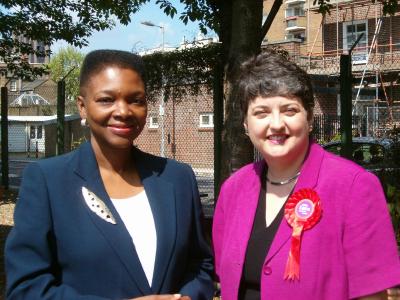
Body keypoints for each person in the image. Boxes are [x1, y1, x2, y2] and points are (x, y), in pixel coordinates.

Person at [5, 49, 214, 300]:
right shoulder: (48, 181)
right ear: (82, 107)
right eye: (106, 100)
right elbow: (26, 289)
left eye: (136, 100)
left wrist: (188, 297)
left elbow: (200, 266)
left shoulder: (178, 178)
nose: (123, 111)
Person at [212, 51, 400, 300]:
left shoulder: (354, 186)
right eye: (261, 113)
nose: (276, 124)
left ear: (309, 118)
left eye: (289, 110)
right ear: (246, 125)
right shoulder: (233, 189)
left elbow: (371, 294)